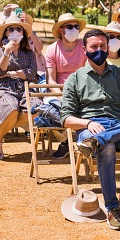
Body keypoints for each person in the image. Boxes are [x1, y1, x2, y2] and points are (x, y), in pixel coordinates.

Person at [61, 29, 120, 231]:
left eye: (103, 46)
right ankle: (113, 208)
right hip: (90, 128)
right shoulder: (75, 79)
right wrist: (86, 124)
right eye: (94, 47)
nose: (100, 50)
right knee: (108, 146)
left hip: (119, 128)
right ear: (84, 49)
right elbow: (66, 118)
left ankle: (100, 139)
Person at [0, 14, 41, 160]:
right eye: (11, 29)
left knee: (37, 107)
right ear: (6, 33)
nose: (15, 32)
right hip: (4, 89)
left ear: (23, 34)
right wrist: (7, 52)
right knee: (10, 106)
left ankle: (5, 122)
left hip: (25, 89)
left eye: (19, 29)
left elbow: (31, 73)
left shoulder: (28, 53)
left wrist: (9, 74)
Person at [44, 13, 87, 158]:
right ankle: (66, 141)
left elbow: (88, 74)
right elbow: (50, 78)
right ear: (61, 30)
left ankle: (86, 141)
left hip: (82, 91)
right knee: (51, 109)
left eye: (76, 27)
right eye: (70, 27)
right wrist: (61, 96)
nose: (74, 29)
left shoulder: (84, 47)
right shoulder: (51, 50)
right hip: (58, 92)